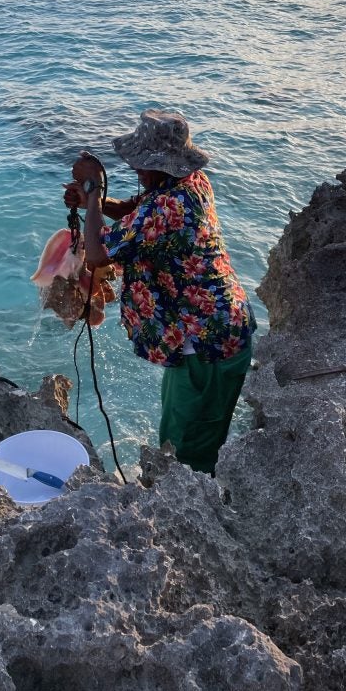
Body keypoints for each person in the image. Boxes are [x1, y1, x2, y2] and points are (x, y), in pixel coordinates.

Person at [64, 109, 256, 475]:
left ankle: (188, 517)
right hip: (202, 337)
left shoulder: (169, 206)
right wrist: (97, 202)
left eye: (141, 164)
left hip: (208, 344)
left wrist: (92, 196)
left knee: (187, 453)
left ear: (163, 165)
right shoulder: (188, 184)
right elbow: (133, 216)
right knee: (178, 435)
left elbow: (98, 253)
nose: (136, 171)